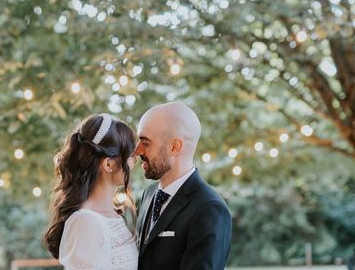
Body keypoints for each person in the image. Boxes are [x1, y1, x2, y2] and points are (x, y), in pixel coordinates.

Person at [135, 102, 232, 270]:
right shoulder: (148, 194)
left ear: (175, 147)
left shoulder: (210, 209)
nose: (138, 151)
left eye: (146, 143)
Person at [44, 114, 138, 269]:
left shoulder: (114, 216)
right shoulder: (86, 222)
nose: (134, 161)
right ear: (108, 164)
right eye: (130, 155)